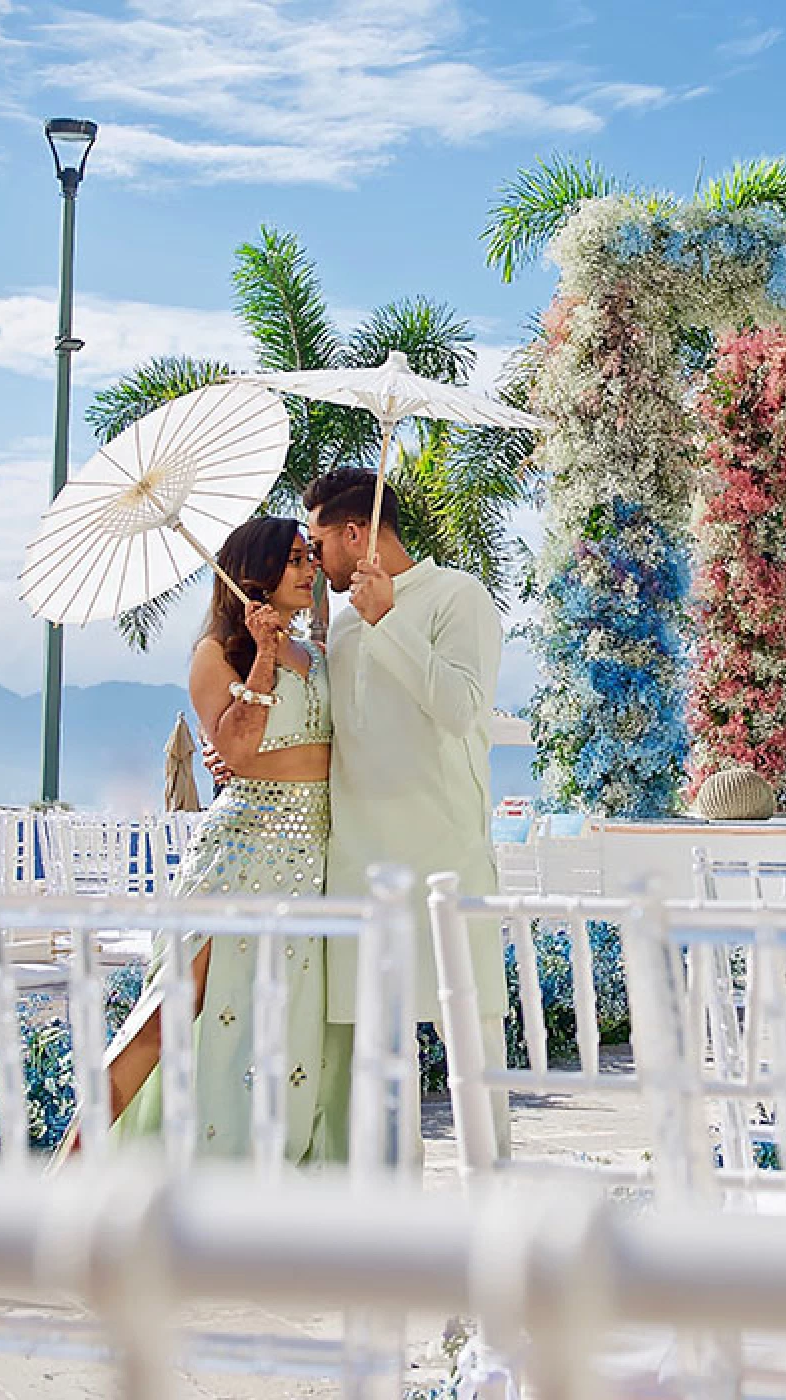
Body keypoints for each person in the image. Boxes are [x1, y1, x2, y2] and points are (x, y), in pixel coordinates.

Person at [213, 468, 510, 1160]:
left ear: (356, 534)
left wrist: (389, 620)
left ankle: (492, 1199)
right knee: (377, 1060)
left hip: (445, 862)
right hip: (359, 870)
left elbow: (461, 709)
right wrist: (245, 756)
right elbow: (334, 729)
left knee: (473, 1036)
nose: (313, 560)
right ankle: (391, 1218)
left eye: (317, 543)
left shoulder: (458, 597)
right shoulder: (340, 627)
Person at [69, 516, 339, 1163]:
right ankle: (71, 1167)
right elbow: (237, 752)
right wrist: (266, 655)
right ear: (258, 573)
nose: (310, 571)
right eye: (296, 560)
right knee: (169, 1014)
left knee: (278, 1027)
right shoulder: (216, 653)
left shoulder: (323, 654)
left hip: (311, 861)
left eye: (309, 557)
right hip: (240, 854)